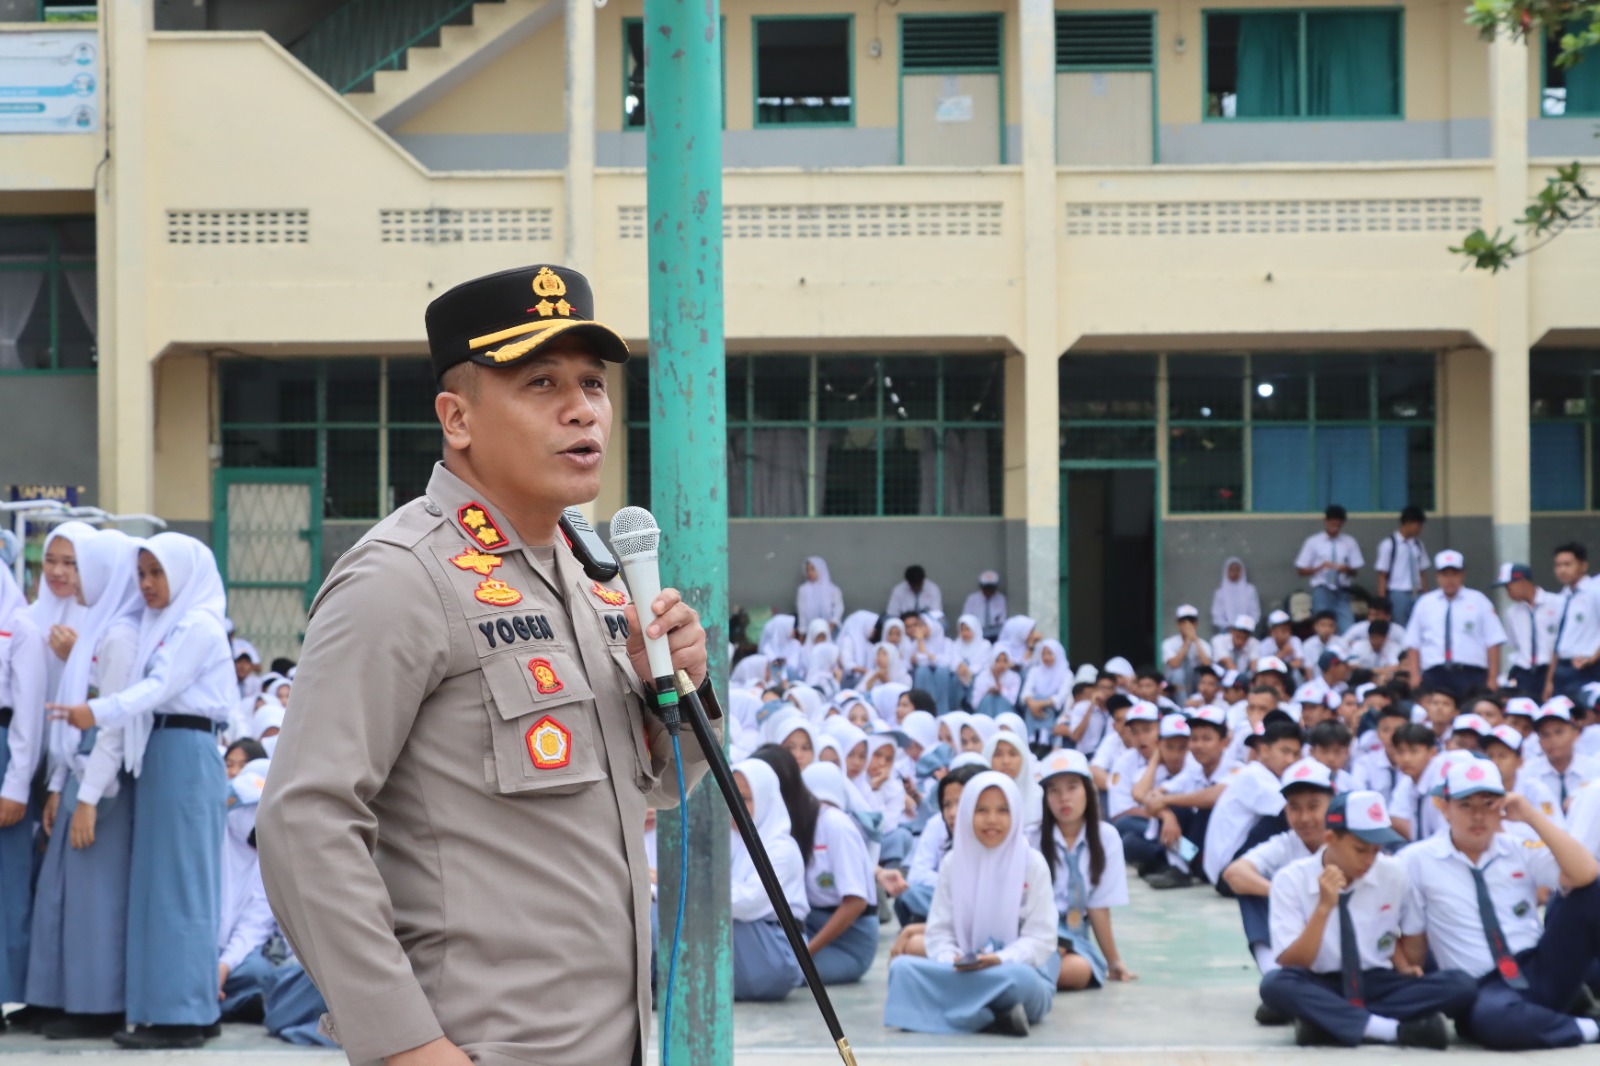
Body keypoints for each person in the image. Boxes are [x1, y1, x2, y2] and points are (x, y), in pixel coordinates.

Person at [253, 265, 720, 1066]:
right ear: (457, 417)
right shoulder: (402, 578)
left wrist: (677, 690)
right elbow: (305, 823)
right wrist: (408, 1048)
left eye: (592, 383)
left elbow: (664, 784)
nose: (584, 409)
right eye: (540, 382)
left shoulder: (591, 575)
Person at [47, 534, 234, 1049]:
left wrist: (97, 710)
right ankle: (189, 1006)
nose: (147, 585)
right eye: (142, 574)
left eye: (158, 573)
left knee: (178, 888)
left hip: (185, 751)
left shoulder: (197, 626)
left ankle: (180, 1018)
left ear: (185, 573)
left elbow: (158, 687)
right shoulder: (167, 625)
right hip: (164, 751)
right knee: (165, 886)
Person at [24, 529, 142, 1039]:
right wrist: (56, 784)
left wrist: (87, 796)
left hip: (101, 782)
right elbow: (65, 716)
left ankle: (95, 1006)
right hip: (76, 774)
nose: (73, 575)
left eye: (82, 565)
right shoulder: (97, 627)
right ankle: (56, 998)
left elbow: (109, 724)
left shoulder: (119, 634)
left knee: (95, 900)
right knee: (61, 895)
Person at [1401, 760, 1600, 1050]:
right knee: (1495, 1019)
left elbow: (1586, 873)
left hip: (1538, 965)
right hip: (1485, 988)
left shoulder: (1516, 847)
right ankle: (1587, 1028)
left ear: (1503, 805)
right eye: (1466, 805)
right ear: (1444, 808)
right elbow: (1414, 940)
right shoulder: (1415, 860)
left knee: (1593, 891)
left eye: (1488, 804)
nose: (1478, 816)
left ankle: (1548, 1014)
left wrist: (1531, 816)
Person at [1259, 791, 1475, 1049]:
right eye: (1360, 850)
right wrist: (1323, 908)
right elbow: (1292, 961)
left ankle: (1327, 1023)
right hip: (1323, 981)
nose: (1369, 860)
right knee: (1275, 985)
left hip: (1377, 981)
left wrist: (1406, 967)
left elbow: (1409, 934)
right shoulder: (1291, 879)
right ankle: (1392, 1030)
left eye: (1376, 849)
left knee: (1461, 985)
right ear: (1331, 839)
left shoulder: (1393, 872)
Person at [882, 772, 1060, 1037]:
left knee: (1020, 982)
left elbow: (1041, 939)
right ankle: (993, 1018)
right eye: (981, 810)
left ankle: (949, 1013)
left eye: (1003, 810)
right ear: (967, 814)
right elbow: (939, 932)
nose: (992, 819)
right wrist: (951, 959)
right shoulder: (953, 863)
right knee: (902, 969)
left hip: (1015, 970)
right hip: (961, 969)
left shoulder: (1031, 863)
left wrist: (998, 959)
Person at [1222, 760, 1335, 983]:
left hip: (1337, 940)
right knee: (1250, 889)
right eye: (1295, 807)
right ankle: (1273, 973)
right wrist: (1284, 893)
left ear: (1332, 805)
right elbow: (1234, 873)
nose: (1304, 818)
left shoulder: (1345, 843)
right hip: (1298, 937)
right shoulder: (1286, 844)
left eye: (1313, 806)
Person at [1037, 750, 1135, 991]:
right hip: (1036, 931)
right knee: (1048, 957)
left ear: (1088, 791)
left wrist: (1114, 961)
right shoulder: (1031, 839)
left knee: (1079, 970)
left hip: (1075, 938)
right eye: (1054, 790)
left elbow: (1099, 907)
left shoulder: (1106, 838)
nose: (1064, 798)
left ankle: (1024, 981)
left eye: (1072, 787)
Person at [0, 555, 47, 1018]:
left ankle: (5, 991)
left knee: (6, 884)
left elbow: (28, 717)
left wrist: (15, 785)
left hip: (4, 759)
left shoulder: (20, 627)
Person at [728, 758, 808, 1002]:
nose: (735, 805)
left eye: (746, 798)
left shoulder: (782, 850)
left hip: (773, 951)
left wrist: (688, 891)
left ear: (765, 800)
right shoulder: (731, 839)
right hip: (746, 941)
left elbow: (747, 903)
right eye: (730, 795)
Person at [794, 760, 877, 984]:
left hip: (849, 943)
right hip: (815, 925)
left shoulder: (837, 824)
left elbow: (855, 902)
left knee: (786, 973)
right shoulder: (810, 821)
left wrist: (806, 952)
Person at [1204, 716, 1304, 888]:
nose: (1290, 760)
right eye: (1284, 751)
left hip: (1223, 868)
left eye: (1295, 754)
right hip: (1228, 873)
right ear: (1264, 750)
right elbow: (1287, 812)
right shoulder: (1255, 776)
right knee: (1292, 815)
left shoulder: (1264, 775)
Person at [1404, 550, 1506, 704]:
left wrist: (1492, 677)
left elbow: (1493, 641)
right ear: (1437, 576)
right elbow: (1413, 642)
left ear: (1462, 575)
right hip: (1435, 673)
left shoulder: (1478, 601)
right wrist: (1415, 675)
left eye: (1454, 574)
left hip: (1471, 673)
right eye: (1445, 574)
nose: (1449, 579)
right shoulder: (1425, 603)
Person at [218, 759, 277, 1022]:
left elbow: (255, 925)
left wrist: (223, 966)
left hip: (235, 959)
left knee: (258, 973)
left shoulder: (268, 860)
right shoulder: (208, 846)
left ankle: (220, 1001)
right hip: (193, 950)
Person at [1296, 505, 1363, 633]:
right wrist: (1319, 568)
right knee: (1323, 627)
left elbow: (1355, 571)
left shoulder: (1349, 542)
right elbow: (1300, 570)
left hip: (1342, 591)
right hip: (1322, 590)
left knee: (1348, 628)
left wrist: (1346, 569)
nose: (1335, 528)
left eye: (1338, 525)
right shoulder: (1313, 542)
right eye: (1332, 524)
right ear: (1326, 522)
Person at [1496, 562, 1560, 696]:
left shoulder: (1556, 603)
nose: (1508, 593)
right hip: (1525, 671)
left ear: (1522, 581)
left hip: (1550, 667)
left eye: (1509, 587)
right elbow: (1515, 644)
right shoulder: (1512, 612)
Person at [1546, 543, 1600, 702]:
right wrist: (1550, 680)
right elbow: (1558, 640)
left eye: (1567, 564)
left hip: (1587, 667)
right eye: (1558, 565)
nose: (1562, 570)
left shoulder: (1595, 591)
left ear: (1583, 565)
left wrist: (1593, 657)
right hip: (1562, 669)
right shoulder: (1561, 597)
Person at [1524, 700, 1600, 809]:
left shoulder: (1595, 769)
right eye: (1545, 734)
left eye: (1559, 732)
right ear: (1539, 741)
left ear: (1575, 733)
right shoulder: (1527, 772)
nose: (1553, 740)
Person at [1373, 505, 1431, 628]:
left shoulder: (1418, 545)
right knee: (1400, 626)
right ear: (1409, 523)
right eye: (1418, 525)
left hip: (1417, 592)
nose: (1420, 529)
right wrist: (1382, 601)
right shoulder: (1389, 544)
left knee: (1420, 625)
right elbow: (1382, 575)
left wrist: (1426, 595)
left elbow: (1422, 573)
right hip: (1397, 592)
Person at [1161, 605, 1213, 699]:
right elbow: (1174, 664)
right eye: (1184, 622)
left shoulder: (1203, 644)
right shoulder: (1168, 643)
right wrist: (1188, 641)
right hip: (1173, 685)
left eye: (1191, 622)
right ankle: (1183, 707)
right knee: (1177, 673)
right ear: (1178, 624)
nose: (1188, 625)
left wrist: (1195, 640)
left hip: (1195, 682)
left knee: (1204, 676)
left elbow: (1207, 665)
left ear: (1196, 624)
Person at [796, 556, 844, 636]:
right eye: (807, 570)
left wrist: (832, 624)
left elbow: (839, 609)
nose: (809, 573)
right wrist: (802, 634)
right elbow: (802, 613)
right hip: (811, 632)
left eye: (812, 569)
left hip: (831, 630)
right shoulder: (803, 590)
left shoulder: (833, 589)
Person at [1212, 557, 1261, 635]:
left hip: (1247, 631)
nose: (1234, 572)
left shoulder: (1250, 590)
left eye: (1237, 570)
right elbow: (1217, 616)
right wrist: (1229, 627)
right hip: (1226, 632)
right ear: (1226, 572)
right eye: (1231, 570)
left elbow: (1255, 613)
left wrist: (1245, 626)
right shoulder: (1220, 593)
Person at [961, 571, 1008, 642]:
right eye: (986, 588)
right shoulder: (972, 599)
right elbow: (965, 618)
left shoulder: (1001, 599)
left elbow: (1002, 620)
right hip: (975, 632)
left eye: (991, 588)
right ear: (981, 587)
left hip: (995, 634)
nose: (989, 590)